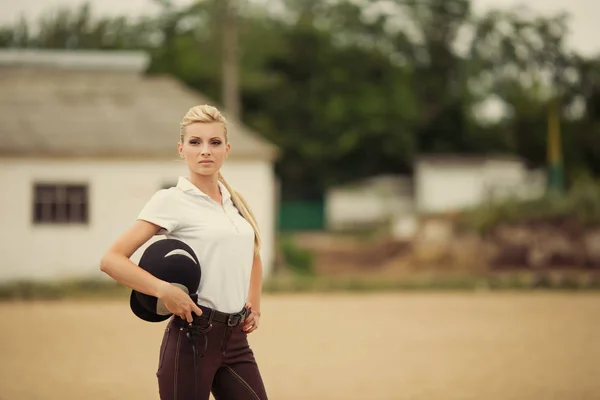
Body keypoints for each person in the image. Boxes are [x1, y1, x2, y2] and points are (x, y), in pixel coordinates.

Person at [100, 104, 268, 400]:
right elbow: (111, 260)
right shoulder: (171, 201)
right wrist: (163, 290)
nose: (206, 150)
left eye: (214, 142)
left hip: (236, 339)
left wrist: (253, 304)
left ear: (226, 149)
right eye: (195, 142)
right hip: (193, 338)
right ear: (182, 149)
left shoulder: (234, 202)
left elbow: (252, 253)